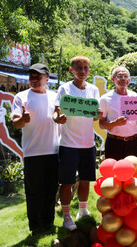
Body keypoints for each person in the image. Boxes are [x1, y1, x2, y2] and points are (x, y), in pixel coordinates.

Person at [53, 56, 101, 231]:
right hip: (68, 144)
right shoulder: (64, 88)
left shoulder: (94, 90)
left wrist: (98, 114)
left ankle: (82, 210)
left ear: (89, 70)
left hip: (88, 143)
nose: (82, 70)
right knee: (66, 182)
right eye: (78, 67)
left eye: (85, 67)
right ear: (71, 70)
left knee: (85, 180)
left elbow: (95, 115)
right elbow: (56, 112)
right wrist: (58, 118)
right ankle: (66, 216)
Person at [12, 64, 59, 234]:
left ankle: (49, 223)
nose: (34, 79)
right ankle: (35, 227)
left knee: (50, 190)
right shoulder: (21, 97)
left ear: (47, 79)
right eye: (31, 76)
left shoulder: (55, 96)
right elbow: (16, 124)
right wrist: (23, 119)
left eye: (38, 76)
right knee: (34, 192)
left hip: (53, 151)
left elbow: (60, 120)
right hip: (32, 152)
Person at [99, 66, 137, 160]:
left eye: (125, 76)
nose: (123, 79)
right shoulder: (105, 98)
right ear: (113, 79)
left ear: (129, 80)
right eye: (119, 76)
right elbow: (101, 124)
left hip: (133, 142)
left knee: (134, 172)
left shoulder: (135, 96)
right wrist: (115, 123)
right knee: (114, 172)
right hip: (114, 142)